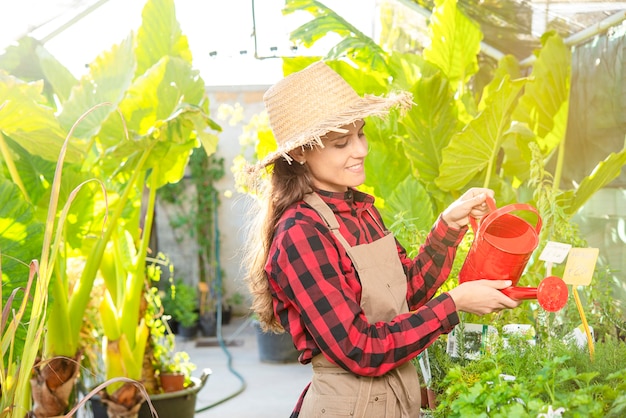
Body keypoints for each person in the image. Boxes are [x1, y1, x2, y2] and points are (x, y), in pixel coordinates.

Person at [242, 61, 520, 418]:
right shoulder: (300, 233)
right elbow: (359, 347)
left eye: (360, 133)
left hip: (396, 399)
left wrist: (449, 227)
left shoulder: (361, 209)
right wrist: (455, 304)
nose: (360, 150)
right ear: (299, 153)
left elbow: (406, 295)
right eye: (341, 142)